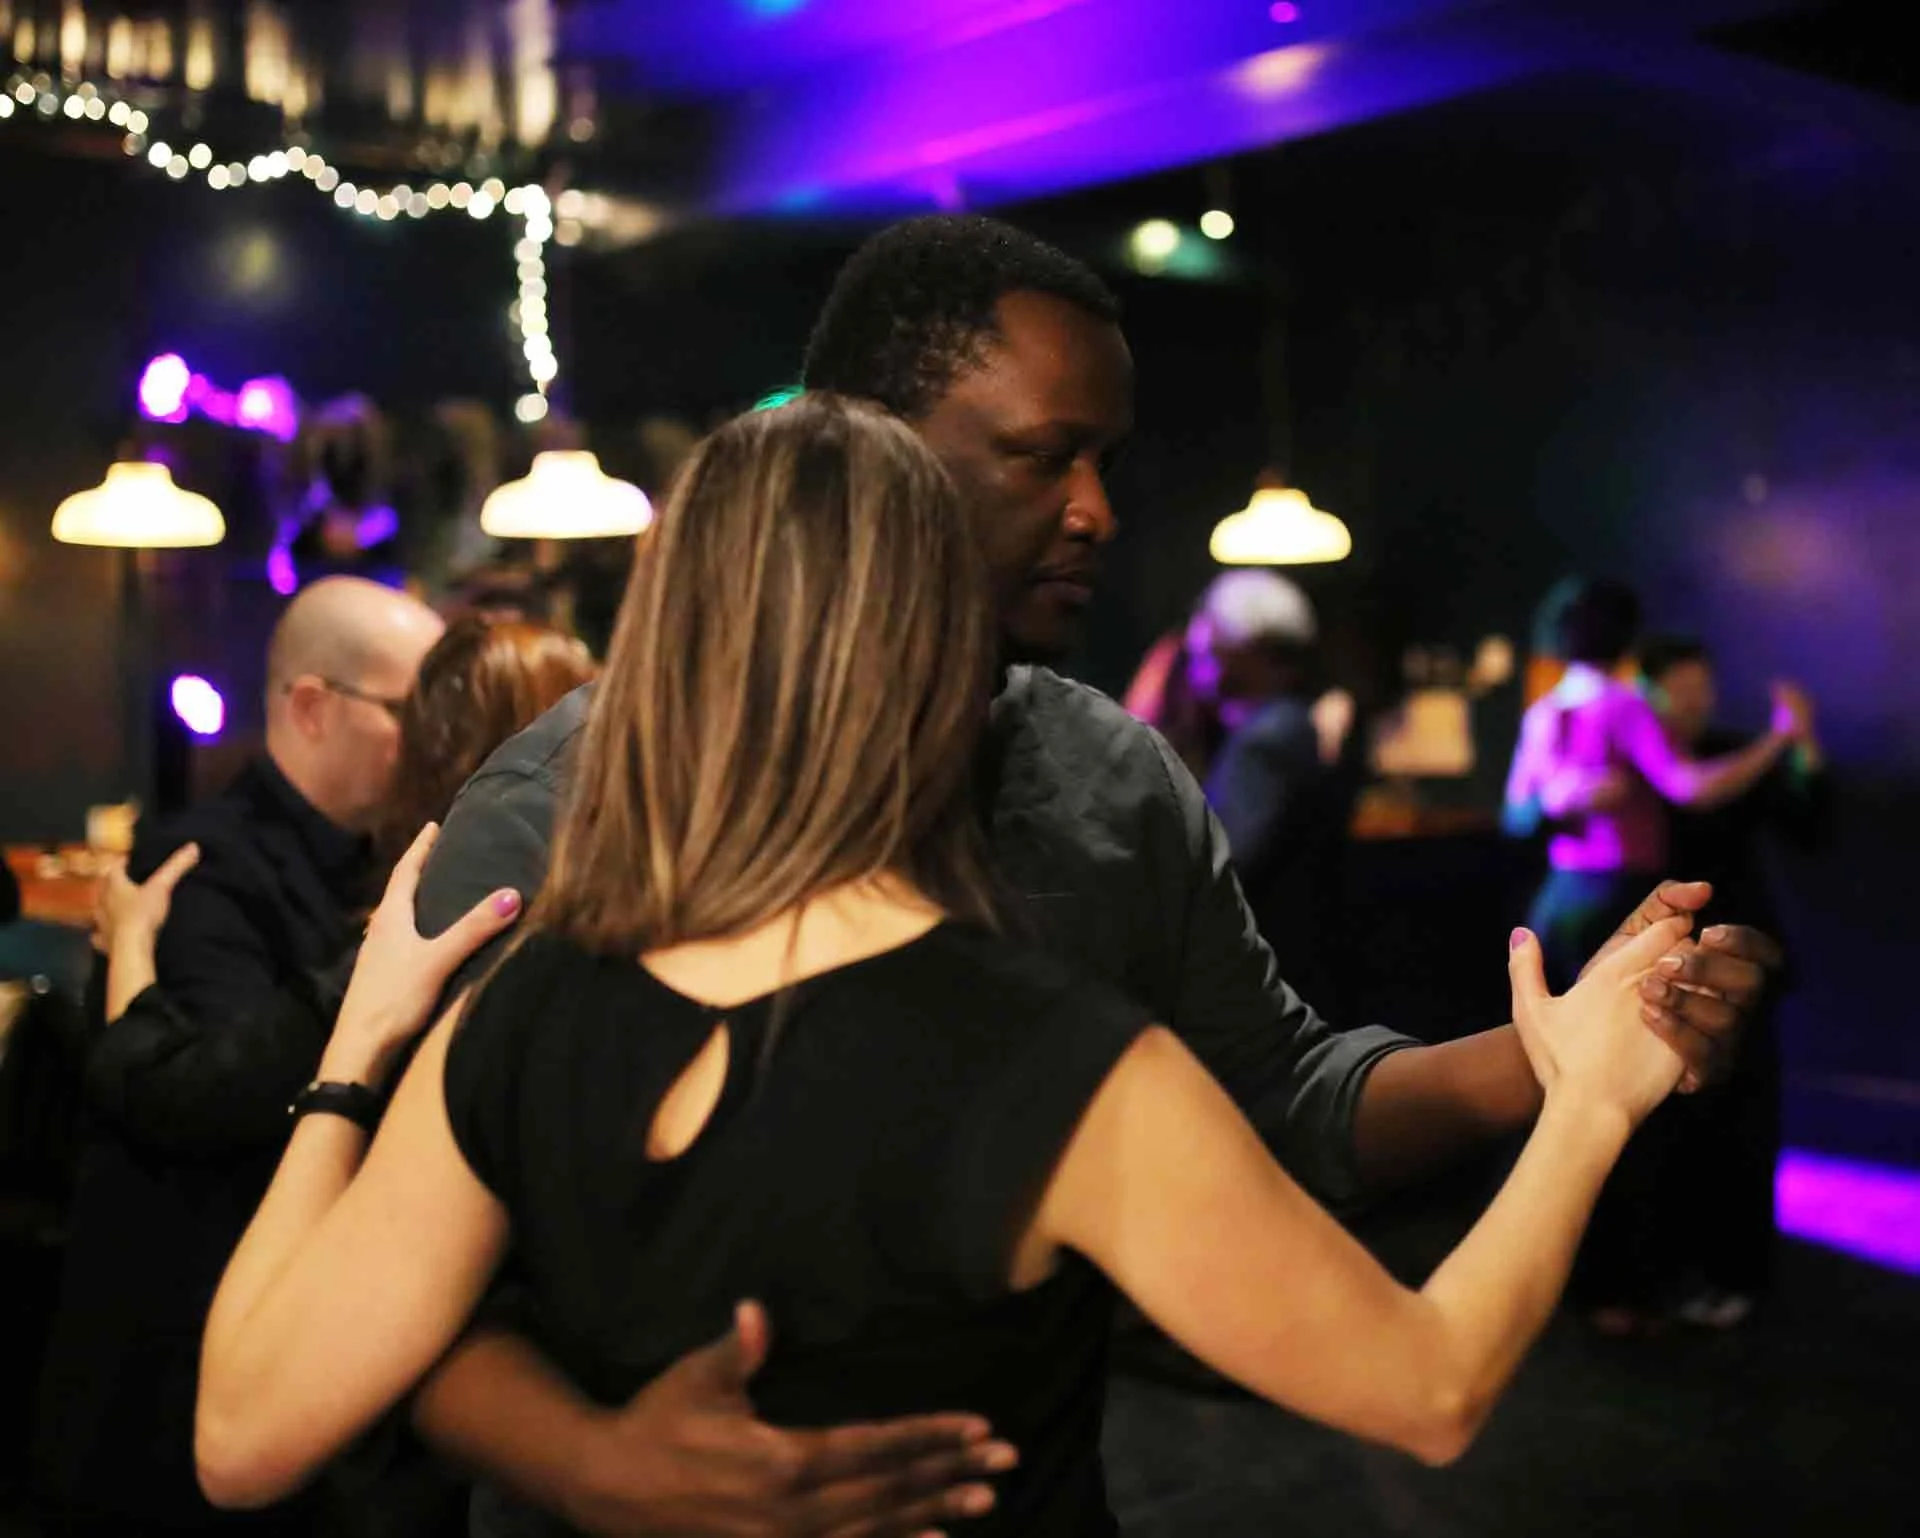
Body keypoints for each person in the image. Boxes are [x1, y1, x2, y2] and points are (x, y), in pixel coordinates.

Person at [393, 218, 1780, 1537]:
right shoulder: (557, 804)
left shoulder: (1107, 776)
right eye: (1046, 457)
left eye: (1108, 458)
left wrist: (1569, 1046)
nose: (1100, 511)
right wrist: (591, 1465)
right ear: (868, 457)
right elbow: (401, 1281)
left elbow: (1286, 1100)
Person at [35, 600, 590, 1536]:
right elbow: (189, 1096)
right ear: (309, 706)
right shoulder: (214, 863)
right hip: (190, 1381)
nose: (421, 740)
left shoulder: (449, 896)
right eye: (407, 710)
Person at [1501, 579, 1808, 1333]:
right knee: (1627, 1091)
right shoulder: (1623, 704)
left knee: (1555, 1079)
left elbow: (1517, 811)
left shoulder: (1546, 711)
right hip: (1621, 905)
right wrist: (1777, 741)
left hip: (1556, 901)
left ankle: (1559, 1281)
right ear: (1629, 643)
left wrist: (1566, 795)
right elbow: (1688, 789)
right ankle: (1625, 1288)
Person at [1637, 636, 1831, 1326]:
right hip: (1658, 961)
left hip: (1740, 954)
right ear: (1650, 689)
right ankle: (1666, 1273)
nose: (1697, 699)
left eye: (1703, 686)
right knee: (1671, 1129)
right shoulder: (1643, 756)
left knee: (1743, 1120)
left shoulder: (1734, 747)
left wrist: (1801, 746)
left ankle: (1738, 1275)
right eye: (1682, 686)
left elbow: (1807, 823)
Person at [1182, 569, 1360, 1018]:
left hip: (1270, 977)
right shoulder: (1292, 723)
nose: (1197, 646)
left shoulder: (1267, 740)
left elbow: (1225, 862)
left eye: (1211, 635)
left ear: (1249, 647)